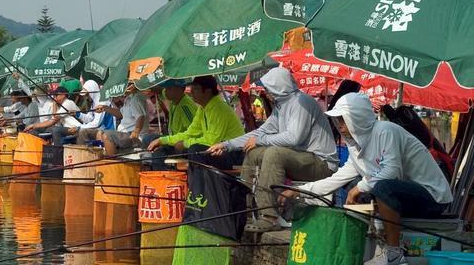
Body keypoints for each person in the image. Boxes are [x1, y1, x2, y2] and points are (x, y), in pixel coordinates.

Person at [280, 93, 453, 265]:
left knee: (380, 188)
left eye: (343, 119)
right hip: (406, 197)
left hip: (433, 196)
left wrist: (360, 187)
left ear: (357, 117)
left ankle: (394, 255)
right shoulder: (355, 146)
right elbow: (336, 179)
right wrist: (298, 191)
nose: (340, 125)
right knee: (364, 190)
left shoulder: (385, 131)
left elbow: (391, 171)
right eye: (338, 120)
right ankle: (380, 247)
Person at [207, 67, 338, 232]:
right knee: (253, 152)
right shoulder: (281, 106)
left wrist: (261, 140)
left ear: (279, 87)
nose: (266, 92)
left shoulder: (301, 102)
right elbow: (259, 132)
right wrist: (227, 145)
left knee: (273, 153)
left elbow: (293, 138)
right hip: (301, 158)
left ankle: (269, 217)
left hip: (321, 164)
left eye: (268, 88)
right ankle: (244, 207)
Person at [148, 76, 243, 170]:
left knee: (195, 149)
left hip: (231, 153)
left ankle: (198, 184)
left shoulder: (218, 108)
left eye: (196, 89)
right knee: (161, 150)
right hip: (214, 149)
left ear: (208, 91)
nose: (192, 92)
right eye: (192, 89)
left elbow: (212, 141)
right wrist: (163, 140)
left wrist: (184, 144)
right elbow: (190, 133)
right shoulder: (202, 108)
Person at [88, 82, 149, 155]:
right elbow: (120, 114)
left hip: (133, 136)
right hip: (123, 133)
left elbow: (140, 116)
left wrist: (136, 131)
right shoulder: (129, 98)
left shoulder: (136, 98)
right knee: (99, 133)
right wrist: (105, 108)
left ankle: (112, 162)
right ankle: (105, 158)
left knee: (107, 135)